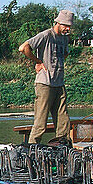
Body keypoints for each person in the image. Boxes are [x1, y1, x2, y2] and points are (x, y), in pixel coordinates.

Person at [19, 9, 74, 145]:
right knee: (41, 122)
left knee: (63, 121)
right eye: (65, 26)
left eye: (69, 26)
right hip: (45, 83)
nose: (67, 29)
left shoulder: (64, 38)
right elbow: (23, 47)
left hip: (59, 83)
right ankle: (32, 147)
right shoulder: (46, 35)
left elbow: (65, 54)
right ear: (58, 23)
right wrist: (38, 61)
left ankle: (63, 146)